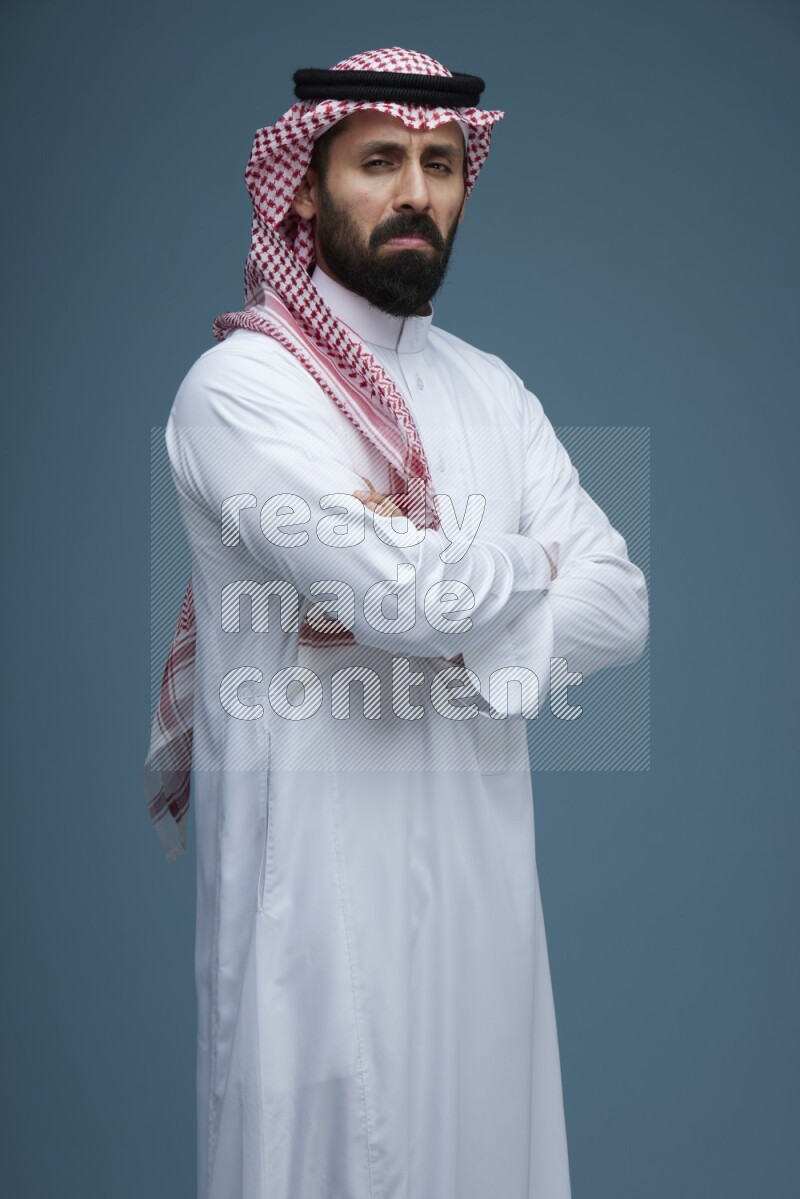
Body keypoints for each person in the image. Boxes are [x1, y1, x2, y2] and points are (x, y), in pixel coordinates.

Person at [145, 46, 649, 1199]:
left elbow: (615, 599)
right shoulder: (241, 392)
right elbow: (404, 600)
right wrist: (524, 560)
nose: (415, 192)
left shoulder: (492, 390)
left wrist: (451, 615)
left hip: (482, 910)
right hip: (315, 920)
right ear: (306, 189)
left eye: (439, 164)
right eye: (378, 162)